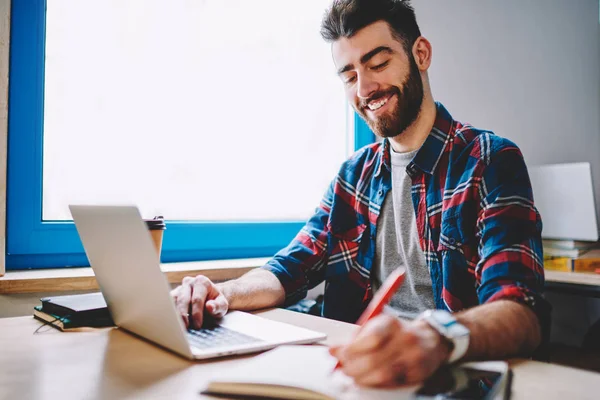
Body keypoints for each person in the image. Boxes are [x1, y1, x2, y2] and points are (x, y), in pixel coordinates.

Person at [170, 0, 550, 387]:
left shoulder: (490, 160)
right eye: (349, 76)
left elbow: (521, 312)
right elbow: (289, 269)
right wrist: (220, 293)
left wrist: (437, 335)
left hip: (445, 376)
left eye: (378, 64)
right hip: (352, 376)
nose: (365, 88)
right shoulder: (354, 174)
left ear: (420, 54)